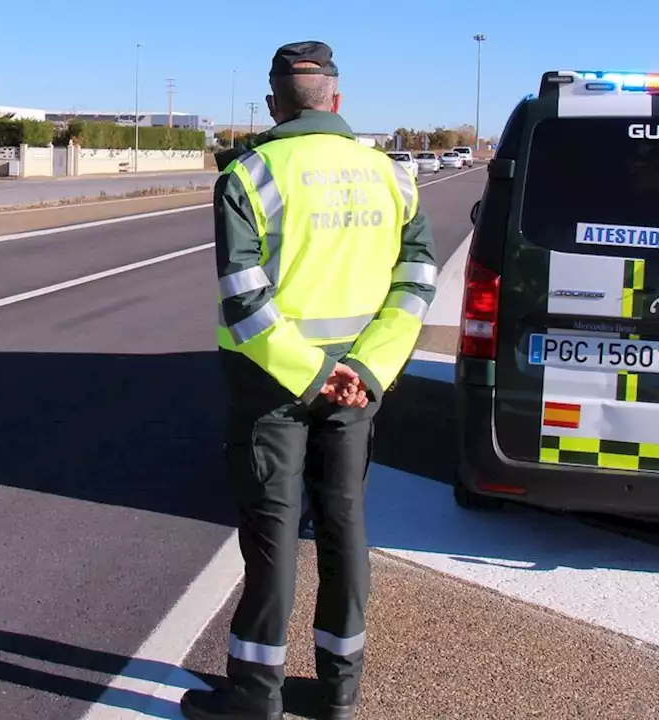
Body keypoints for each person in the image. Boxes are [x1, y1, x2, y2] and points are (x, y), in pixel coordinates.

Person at [181, 40, 437, 720]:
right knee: (345, 527)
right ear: (338, 100)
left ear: (272, 105)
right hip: (356, 385)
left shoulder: (251, 175)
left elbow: (244, 296)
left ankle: (255, 696)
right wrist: (367, 370)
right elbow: (416, 282)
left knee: (271, 535)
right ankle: (338, 692)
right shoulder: (393, 176)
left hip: (272, 385)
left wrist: (313, 373)